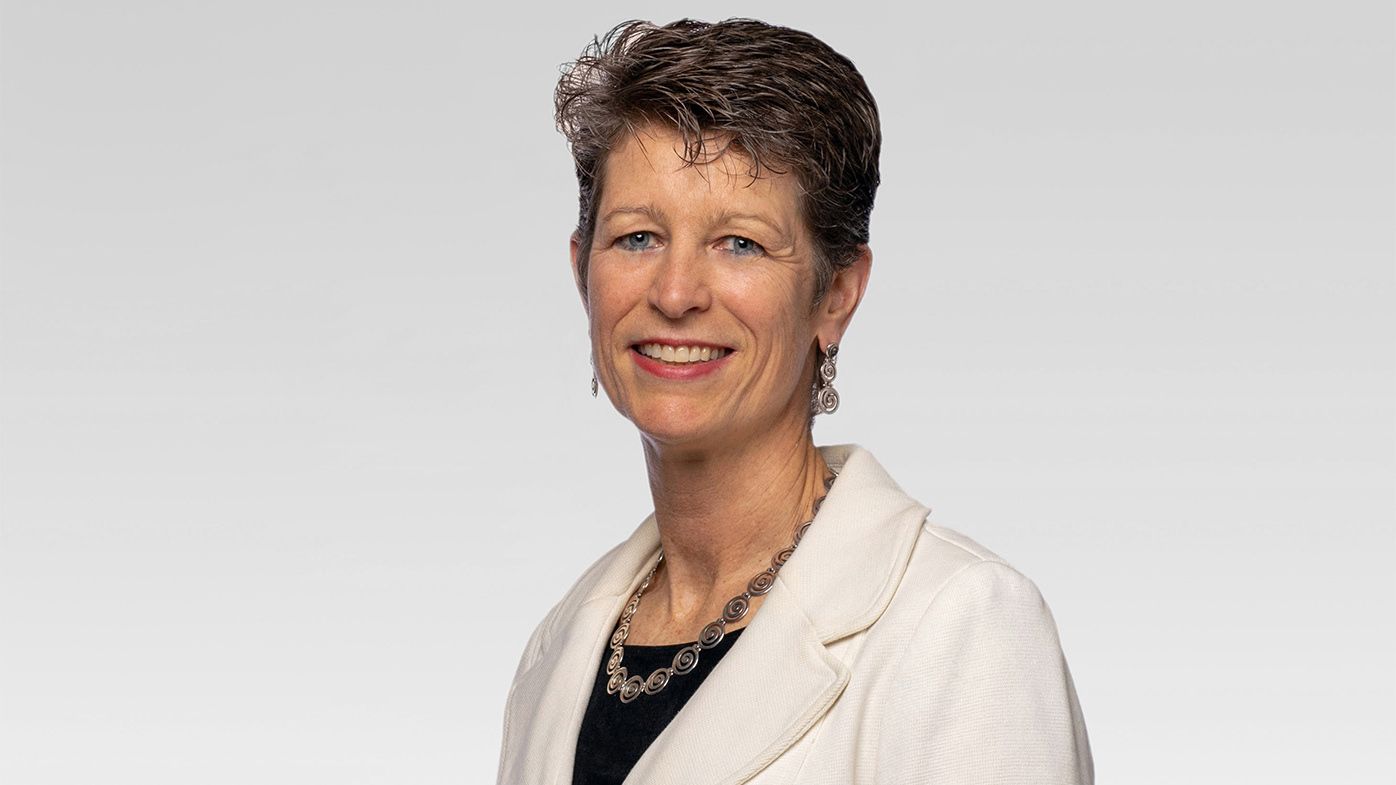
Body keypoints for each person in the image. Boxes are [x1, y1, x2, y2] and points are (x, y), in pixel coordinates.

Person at [497, 17, 1093, 785]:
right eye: (638, 237)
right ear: (583, 271)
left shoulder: (959, 628)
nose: (675, 293)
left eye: (740, 243)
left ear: (836, 293)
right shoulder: (558, 653)